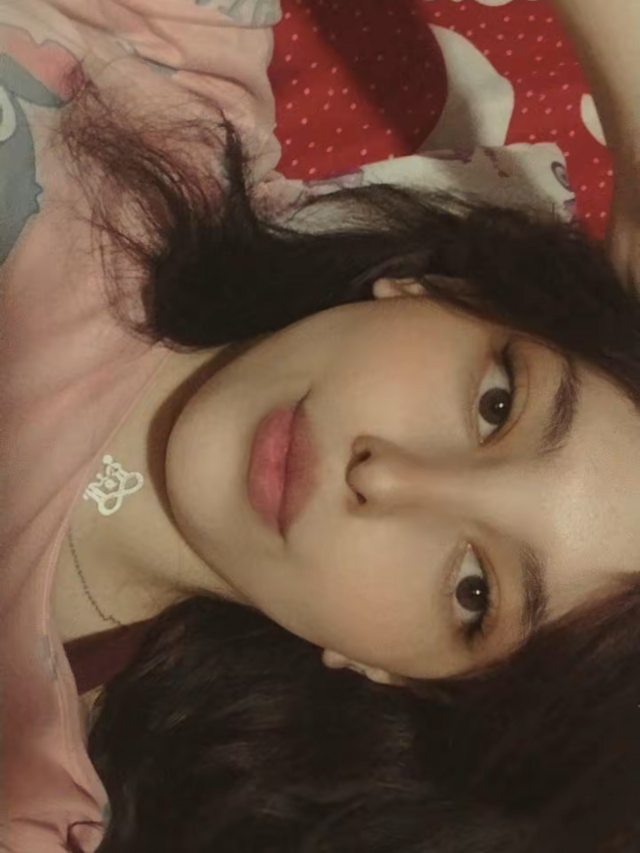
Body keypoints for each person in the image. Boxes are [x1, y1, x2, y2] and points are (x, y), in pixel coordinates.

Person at [2, 1, 640, 852]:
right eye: (498, 404)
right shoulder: (172, 65)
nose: (386, 477)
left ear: (399, 677)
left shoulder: (31, 792)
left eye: (475, 591)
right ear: (450, 292)